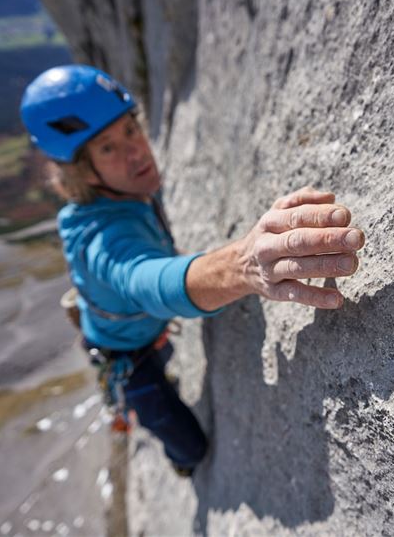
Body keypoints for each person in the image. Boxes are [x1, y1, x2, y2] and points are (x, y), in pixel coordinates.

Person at [20, 64, 364, 475]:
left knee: (162, 351)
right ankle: (181, 464)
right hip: (128, 360)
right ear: (84, 171)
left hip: (143, 332)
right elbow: (143, 278)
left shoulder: (128, 189)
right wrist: (242, 267)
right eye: (107, 148)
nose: (136, 152)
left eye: (130, 129)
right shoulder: (102, 241)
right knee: (190, 448)